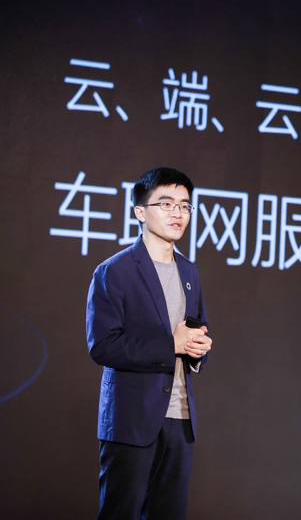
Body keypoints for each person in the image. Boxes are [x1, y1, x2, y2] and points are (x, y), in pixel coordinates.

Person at [86, 167, 213, 520]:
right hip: (132, 419)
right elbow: (104, 346)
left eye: (185, 206)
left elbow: (195, 330)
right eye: (166, 203)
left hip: (181, 419)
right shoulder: (114, 271)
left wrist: (198, 350)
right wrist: (171, 345)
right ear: (140, 212)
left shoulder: (190, 271)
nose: (178, 213)